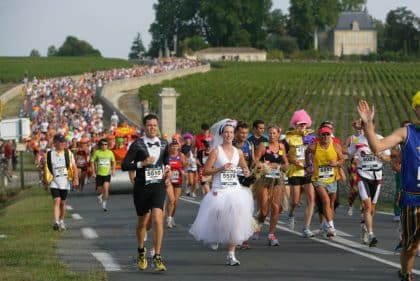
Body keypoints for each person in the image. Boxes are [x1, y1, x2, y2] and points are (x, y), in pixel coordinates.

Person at [356, 98, 417, 281]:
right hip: (413, 199)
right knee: (411, 247)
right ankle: (406, 274)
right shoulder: (406, 132)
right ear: (416, 110)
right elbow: (377, 147)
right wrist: (368, 125)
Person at [189, 119, 254, 266]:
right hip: (219, 190)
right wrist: (220, 169)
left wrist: (246, 170)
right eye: (227, 132)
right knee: (219, 219)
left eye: (231, 132)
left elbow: (245, 169)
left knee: (235, 222)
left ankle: (231, 254)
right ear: (222, 134)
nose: (229, 135)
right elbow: (205, 171)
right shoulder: (216, 151)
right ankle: (216, 234)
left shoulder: (239, 152)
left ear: (235, 134)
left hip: (235, 190)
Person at [121, 113, 170, 272]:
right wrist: (142, 163)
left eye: (155, 125)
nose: (152, 128)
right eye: (149, 125)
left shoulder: (164, 143)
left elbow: (166, 161)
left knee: (157, 218)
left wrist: (167, 171)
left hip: (158, 186)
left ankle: (157, 255)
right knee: (143, 222)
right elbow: (125, 165)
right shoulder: (137, 144)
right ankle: (141, 251)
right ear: (144, 127)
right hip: (142, 187)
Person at [348, 119, 390, 247]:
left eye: (370, 125)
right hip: (363, 175)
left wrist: (381, 156)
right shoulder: (357, 140)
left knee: (371, 208)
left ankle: (365, 227)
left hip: (377, 177)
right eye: (365, 126)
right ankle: (371, 234)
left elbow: (388, 158)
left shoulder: (381, 139)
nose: (367, 128)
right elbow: (350, 154)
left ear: (373, 126)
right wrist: (355, 160)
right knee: (366, 205)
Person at [306, 126, 344, 237]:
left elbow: (342, 160)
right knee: (326, 200)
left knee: (331, 204)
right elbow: (306, 152)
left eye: (328, 134)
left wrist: (336, 164)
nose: (326, 136)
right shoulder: (314, 147)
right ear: (319, 136)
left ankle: (326, 225)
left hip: (332, 179)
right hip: (318, 179)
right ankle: (331, 226)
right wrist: (308, 165)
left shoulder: (336, 146)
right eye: (323, 134)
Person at [254, 125, 288, 245]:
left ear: (278, 134)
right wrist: (263, 165)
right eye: (270, 134)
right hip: (264, 179)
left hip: (277, 180)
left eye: (274, 133)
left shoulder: (281, 146)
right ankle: (258, 223)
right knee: (264, 210)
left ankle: (271, 235)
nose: (272, 136)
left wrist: (279, 166)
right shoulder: (264, 146)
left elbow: (286, 164)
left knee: (275, 207)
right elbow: (256, 160)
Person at [285, 109, 316, 237]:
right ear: (295, 124)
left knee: (311, 198)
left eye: (304, 124)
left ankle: (306, 228)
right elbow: (284, 155)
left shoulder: (312, 137)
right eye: (300, 124)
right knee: (296, 201)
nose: (303, 126)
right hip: (295, 171)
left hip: (308, 171)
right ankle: (291, 213)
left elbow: (316, 151)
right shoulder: (289, 138)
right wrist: (293, 160)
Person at [43, 134, 78, 231]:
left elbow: (74, 167)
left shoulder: (68, 153)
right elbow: (46, 169)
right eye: (61, 142)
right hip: (54, 181)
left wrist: (75, 178)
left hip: (65, 181)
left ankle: (61, 220)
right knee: (56, 200)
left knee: (63, 202)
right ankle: (56, 222)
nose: (63, 143)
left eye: (64, 142)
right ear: (55, 143)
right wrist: (45, 183)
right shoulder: (49, 154)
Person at [391, 120, 411, 222]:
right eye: (405, 127)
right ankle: (397, 212)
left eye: (409, 126)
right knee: (400, 190)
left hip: (413, 170)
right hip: (401, 170)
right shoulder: (399, 141)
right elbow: (392, 152)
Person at [91, 138, 116, 212]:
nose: (104, 146)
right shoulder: (97, 152)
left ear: (107, 145)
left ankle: (104, 204)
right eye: (102, 144)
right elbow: (92, 161)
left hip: (107, 174)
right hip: (99, 174)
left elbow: (113, 161)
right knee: (99, 189)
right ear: (100, 145)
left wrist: (113, 170)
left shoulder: (110, 153)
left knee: (106, 188)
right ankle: (101, 196)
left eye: (106, 144)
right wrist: (93, 172)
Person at [166, 139, 186, 228]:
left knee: (176, 202)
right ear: (170, 147)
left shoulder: (181, 155)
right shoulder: (167, 156)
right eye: (172, 146)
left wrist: (182, 167)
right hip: (169, 180)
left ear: (178, 147)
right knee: (171, 200)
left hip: (178, 179)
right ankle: (169, 219)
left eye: (176, 146)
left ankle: (172, 216)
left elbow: (185, 166)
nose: (174, 148)